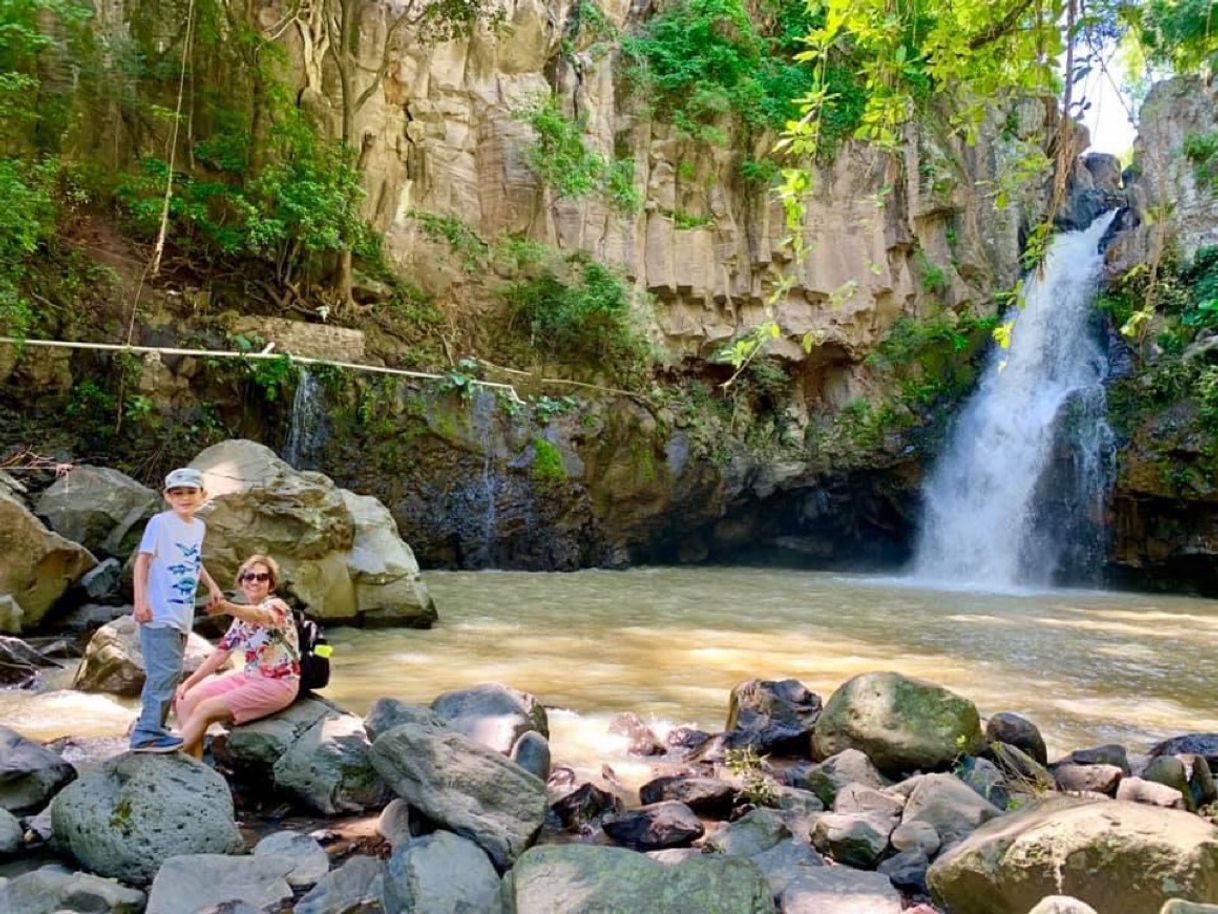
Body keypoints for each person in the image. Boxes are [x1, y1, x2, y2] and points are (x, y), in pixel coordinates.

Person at [131, 467, 224, 753]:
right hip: (159, 611)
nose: (184, 498)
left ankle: (153, 726)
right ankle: (146, 734)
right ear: (167, 497)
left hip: (182, 613)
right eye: (177, 493)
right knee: (165, 672)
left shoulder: (198, 527)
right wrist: (140, 601)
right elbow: (143, 561)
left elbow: (193, 560)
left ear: (202, 495)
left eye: (190, 492)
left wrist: (212, 585)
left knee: (169, 672)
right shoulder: (160, 522)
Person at [175, 554, 300, 760]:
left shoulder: (277, 606)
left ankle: (173, 756)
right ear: (241, 583)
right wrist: (189, 682)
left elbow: (261, 616)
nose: (254, 581)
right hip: (250, 677)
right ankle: (195, 767)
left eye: (262, 577)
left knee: (206, 708)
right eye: (249, 576)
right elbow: (221, 652)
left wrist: (226, 607)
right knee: (186, 699)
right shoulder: (241, 619)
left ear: (271, 584)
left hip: (279, 683)